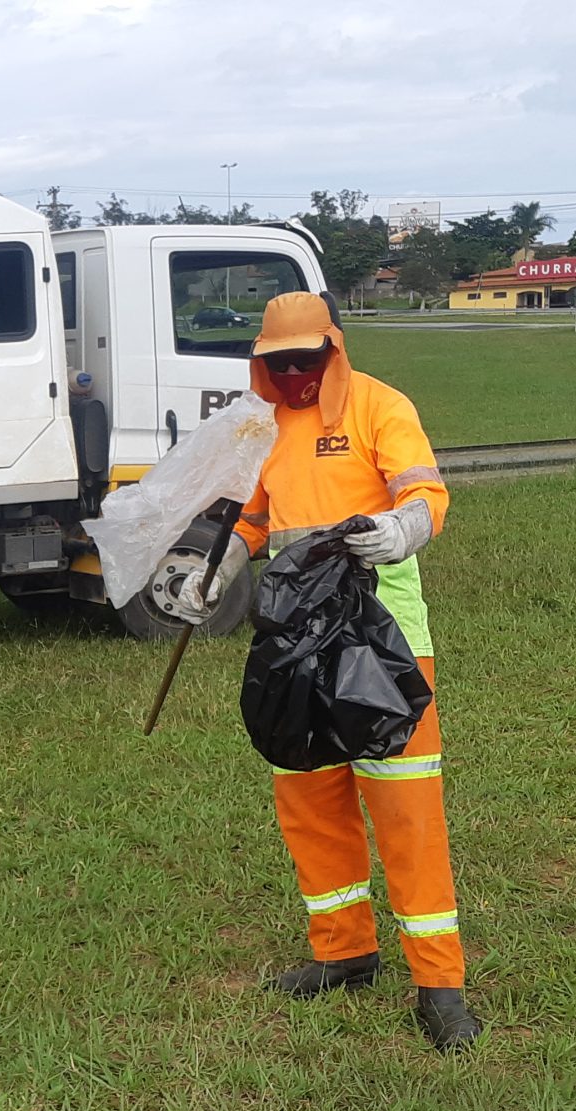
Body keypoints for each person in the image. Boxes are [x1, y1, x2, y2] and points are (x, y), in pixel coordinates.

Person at [169, 291, 481, 1052]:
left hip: (384, 641)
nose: (296, 374)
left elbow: (427, 494)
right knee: (309, 791)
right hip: (294, 638)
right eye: (280, 363)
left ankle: (439, 985)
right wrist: (213, 571)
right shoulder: (261, 426)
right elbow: (248, 516)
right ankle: (344, 954)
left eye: (308, 360)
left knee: (405, 808)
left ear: (333, 352)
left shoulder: (380, 407)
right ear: (263, 364)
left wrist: (398, 528)